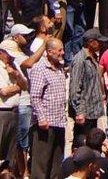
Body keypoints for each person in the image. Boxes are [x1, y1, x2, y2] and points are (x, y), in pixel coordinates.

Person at [28, 38, 67, 179]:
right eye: (59, 50)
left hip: (59, 122)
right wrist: (42, 118)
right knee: (41, 165)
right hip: (45, 124)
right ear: (49, 52)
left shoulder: (60, 68)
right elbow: (35, 97)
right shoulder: (39, 68)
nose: (63, 52)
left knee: (56, 164)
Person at [68, 28, 108, 149]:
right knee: (82, 144)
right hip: (84, 114)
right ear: (91, 42)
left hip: (93, 112)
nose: (101, 44)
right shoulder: (80, 60)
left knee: (93, 145)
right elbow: (75, 88)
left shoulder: (93, 58)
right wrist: (79, 112)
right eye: (98, 41)